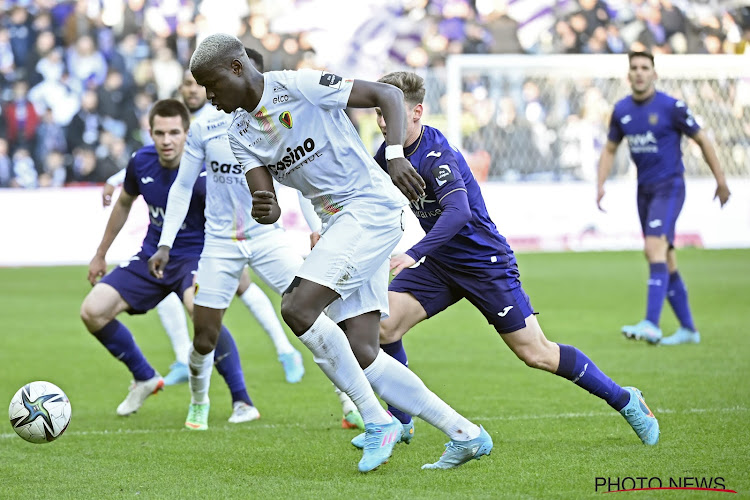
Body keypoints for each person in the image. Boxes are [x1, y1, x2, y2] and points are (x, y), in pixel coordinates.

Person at [189, 33, 493, 472]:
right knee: (365, 350)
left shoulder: (297, 86)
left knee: (297, 307)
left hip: (369, 209)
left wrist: (393, 155)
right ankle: (465, 433)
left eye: (210, 83)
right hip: (338, 223)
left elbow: (386, 93)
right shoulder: (239, 132)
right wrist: (264, 205)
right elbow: (268, 208)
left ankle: (376, 421)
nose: (208, 96)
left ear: (236, 68)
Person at [334, 71, 659, 451]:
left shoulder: (436, 154)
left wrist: (413, 253)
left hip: (483, 262)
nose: (384, 121)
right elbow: (363, 195)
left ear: (418, 112)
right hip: (442, 263)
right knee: (384, 327)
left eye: (392, 112)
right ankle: (401, 420)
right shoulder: (388, 155)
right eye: (379, 112)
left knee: (536, 353)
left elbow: (459, 214)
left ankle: (625, 399)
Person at [147, 59, 363, 432]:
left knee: (315, 317)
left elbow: (299, 181)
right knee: (204, 336)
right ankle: (199, 401)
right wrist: (165, 242)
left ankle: (350, 402)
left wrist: (316, 227)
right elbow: (182, 186)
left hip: (267, 239)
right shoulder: (204, 128)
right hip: (220, 243)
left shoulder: (273, 122)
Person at [102, 56, 307, 386]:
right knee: (181, 291)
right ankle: (189, 360)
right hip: (211, 230)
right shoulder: (186, 123)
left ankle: (285, 351)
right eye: (188, 84)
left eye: (201, 85)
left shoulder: (234, 116)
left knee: (253, 291)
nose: (195, 90)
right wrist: (116, 179)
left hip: (238, 226)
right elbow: (155, 160)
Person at [80, 99, 259, 424]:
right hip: (152, 255)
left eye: (174, 132)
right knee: (92, 311)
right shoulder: (141, 162)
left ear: (187, 133)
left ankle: (242, 400)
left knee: (199, 312)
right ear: (150, 133)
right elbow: (123, 203)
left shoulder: (208, 166)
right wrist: (101, 253)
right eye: (159, 133)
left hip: (197, 255)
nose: (167, 140)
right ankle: (145, 377)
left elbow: (238, 207)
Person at [596, 51, 731, 345]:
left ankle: (652, 323)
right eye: (634, 68)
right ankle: (688, 330)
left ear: (654, 74)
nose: (640, 72)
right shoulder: (621, 110)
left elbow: (702, 139)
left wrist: (721, 180)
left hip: (669, 187)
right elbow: (609, 149)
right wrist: (600, 183)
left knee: (653, 248)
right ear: (628, 75)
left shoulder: (672, 107)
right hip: (643, 191)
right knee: (665, 257)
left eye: (645, 67)